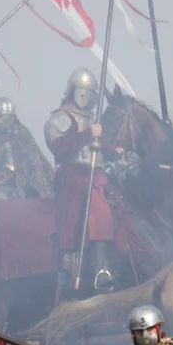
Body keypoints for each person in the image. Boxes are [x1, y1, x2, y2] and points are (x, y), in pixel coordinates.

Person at [46, 67, 121, 294]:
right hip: (74, 175)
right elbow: (60, 145)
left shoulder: (91, 119)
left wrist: (111, 149)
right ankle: (100, 268)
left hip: (95, 173)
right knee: (98, 212)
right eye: (84, 92)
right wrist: (89, 133)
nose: (87, 97)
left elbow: (92, 148)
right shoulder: (61, 117)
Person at [0, 95, 55, 198]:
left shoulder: (14, 138)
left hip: (21, 189)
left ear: (8, 117)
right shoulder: (6, 138)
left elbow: (10, 169)